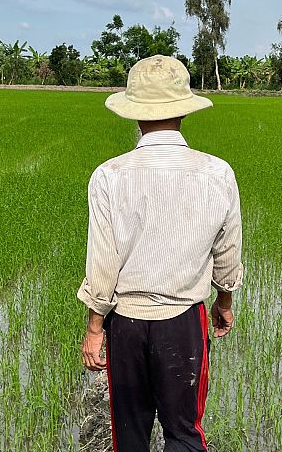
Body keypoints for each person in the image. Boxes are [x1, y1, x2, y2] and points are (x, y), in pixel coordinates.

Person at [78, 55, 243, 452]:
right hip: (184, 324)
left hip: (127, 326)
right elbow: (227, 250)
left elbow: (103, 260)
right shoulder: (217, 173)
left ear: (135, 115)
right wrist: (224, 301)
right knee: (184, 434)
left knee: (129, 436)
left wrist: (95, 328)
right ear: (183, 110)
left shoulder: (109, 175)